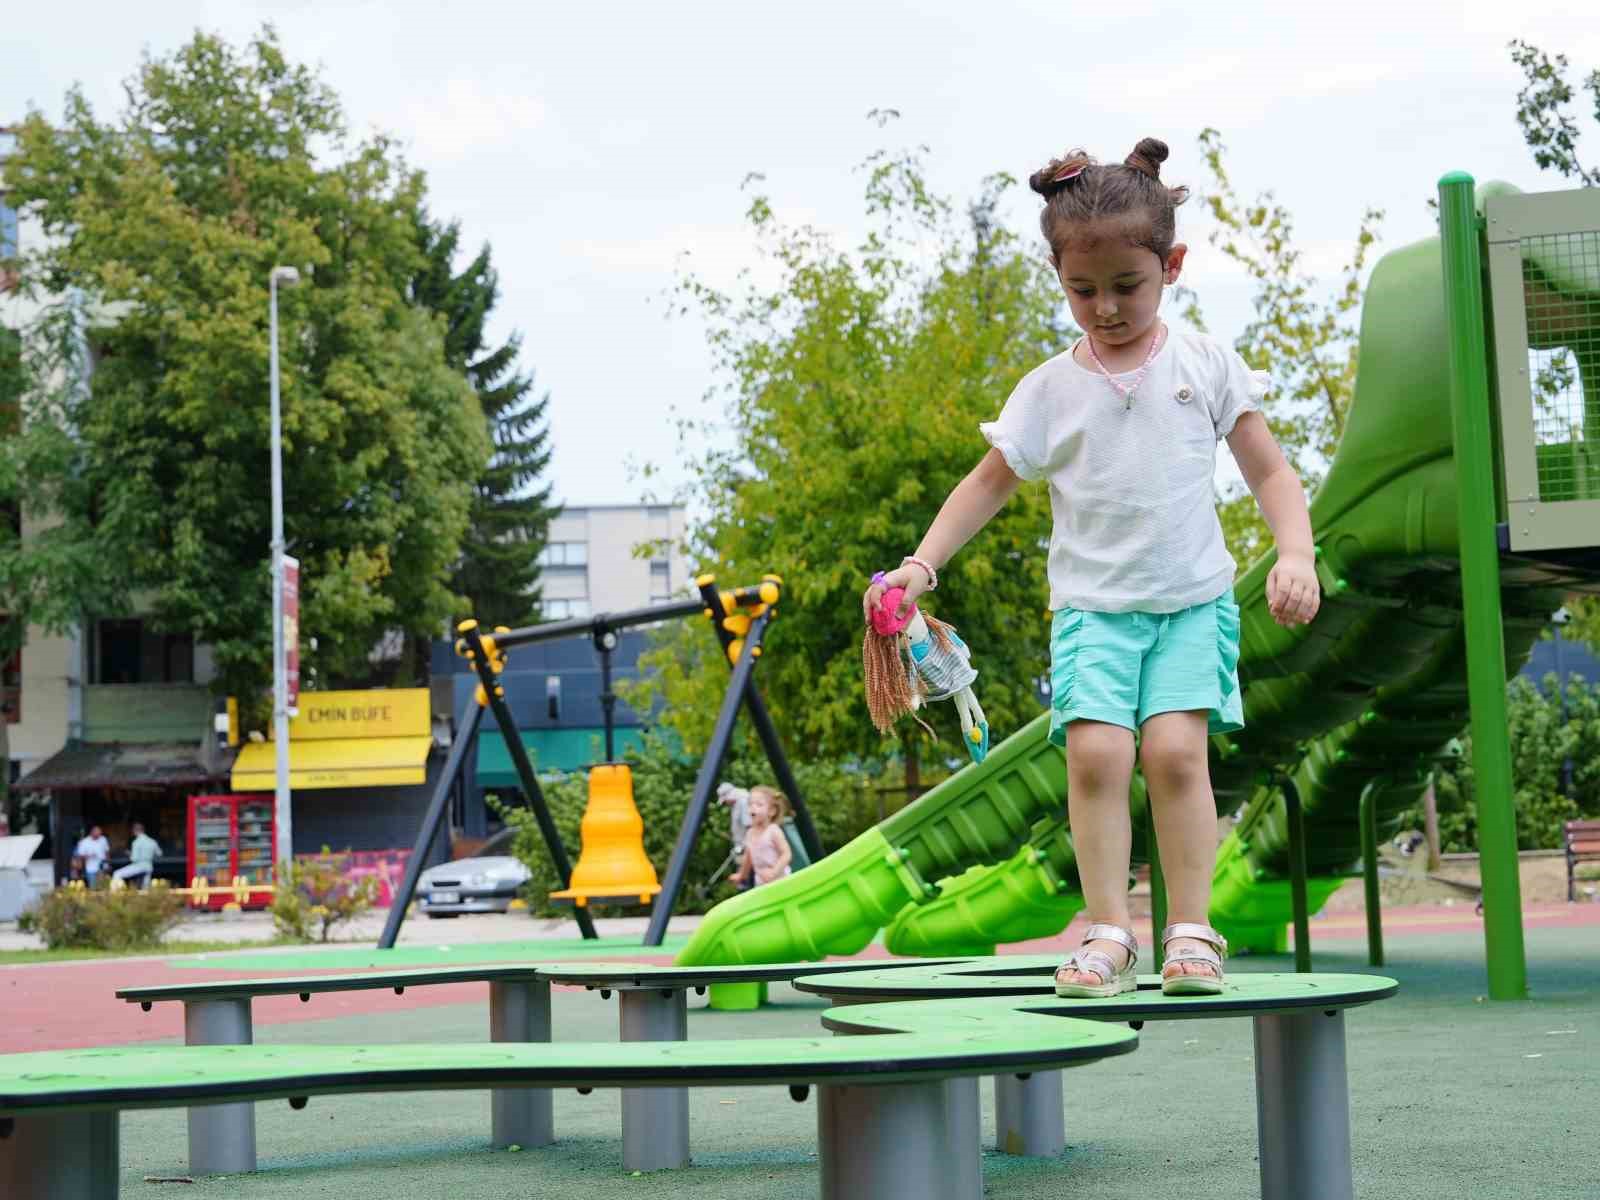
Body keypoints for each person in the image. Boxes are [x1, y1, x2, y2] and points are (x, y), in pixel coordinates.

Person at [863, 138, 1319, 998]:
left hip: (1189, 603)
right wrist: (922, 564)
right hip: (1092, 612)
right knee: (1098, 757)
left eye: (1125, 287)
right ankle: (1109, 929)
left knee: (1178, 754)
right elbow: (987, 482)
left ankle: (1191, 929)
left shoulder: (1205, 365)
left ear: (1171, 265)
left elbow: (1269, 469)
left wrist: (1295, 549)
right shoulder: (1049, 390)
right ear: (1058, 275)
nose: (1105, 308)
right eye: (1083, 291)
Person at [731, 786, 792, 889]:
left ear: (771, 811)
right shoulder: (750, 833)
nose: (753, 807)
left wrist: (774, 872)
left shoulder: (773, 830)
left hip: (781, 881)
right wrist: (741, 875)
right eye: (750, 804)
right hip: (761, 884)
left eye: (759, 804)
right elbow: (748, 857)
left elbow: (786, 854)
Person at [114, 822, 162, 889]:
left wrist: (129, 853)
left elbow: (134, 859)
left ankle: (115, 895)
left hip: (139, 866)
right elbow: (159, 854)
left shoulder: (136, 842)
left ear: (135, 831)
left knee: (117, 874)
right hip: (149, 867)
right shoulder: (152, 841)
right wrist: (149, 855)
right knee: (145, 889)